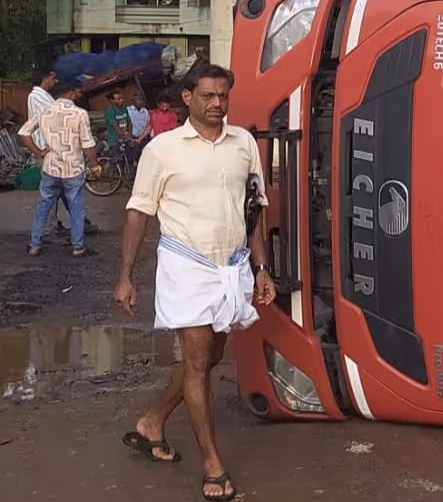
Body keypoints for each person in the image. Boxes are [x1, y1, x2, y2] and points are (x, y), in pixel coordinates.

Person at [114, 64, 274, 502]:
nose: (217, 103)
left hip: (232, 268)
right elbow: (138, 211)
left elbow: (254, 208)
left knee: (210, 356)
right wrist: (126, 275)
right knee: (199, 362)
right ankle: (213, 465)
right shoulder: (162, 149)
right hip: (186, 267)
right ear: (187, 97)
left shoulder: (243, 143)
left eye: (223, 95)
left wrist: (261, 268)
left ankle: (152, 421)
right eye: (207, 95)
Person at [16, 81, 101, 257]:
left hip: (50, 168)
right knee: (76, 208)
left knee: (43, 206)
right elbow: (88, 143)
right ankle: (78, 248)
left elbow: (23, 133)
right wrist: (94, 164)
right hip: (73, 169)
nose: (79, 94)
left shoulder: (43, 112)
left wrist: (39, 152)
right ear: (70, 92)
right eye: (78, 91)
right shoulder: (80, 114)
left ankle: (34, 246)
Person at [104, 90, 133, 156]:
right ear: (112, 100)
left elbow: (130, 123)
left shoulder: (124, 109)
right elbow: (116, 128)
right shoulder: (109, 111)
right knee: (118, 160)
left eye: (122, 98)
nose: (121, 100)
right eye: (118, 99)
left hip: (125, 138)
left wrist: (130, 136)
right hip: (115, 141)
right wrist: (127, 138)